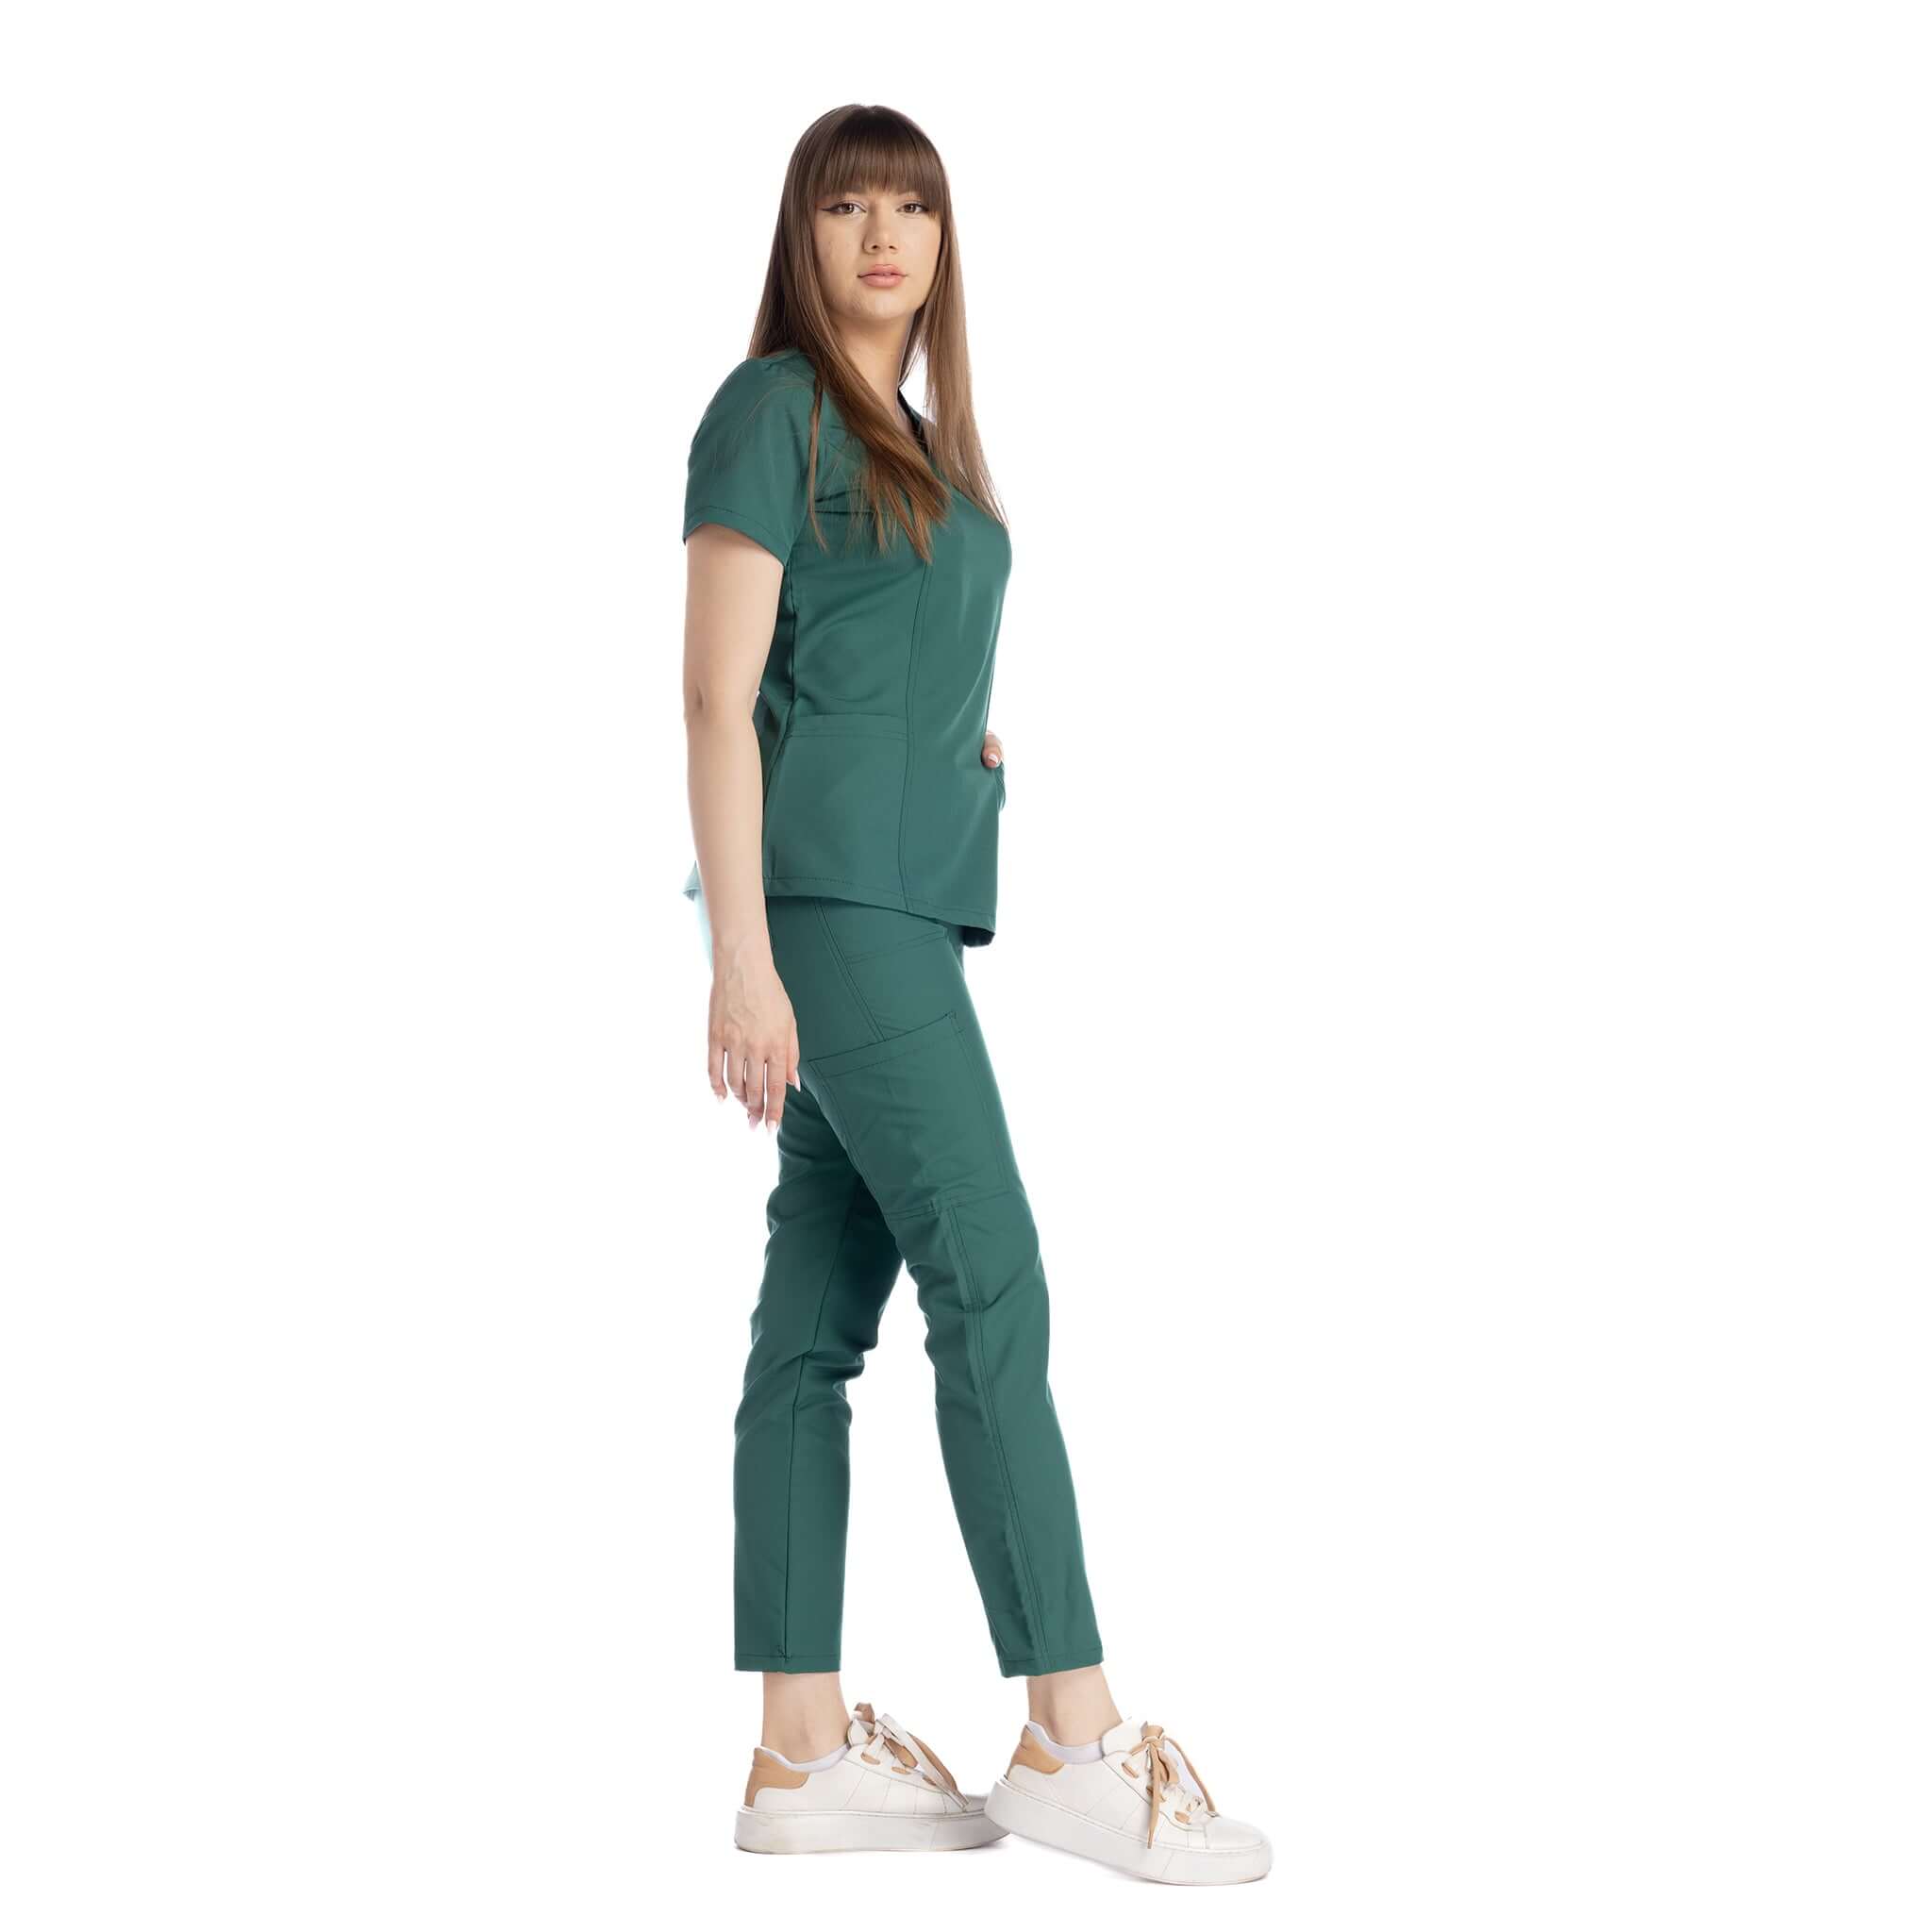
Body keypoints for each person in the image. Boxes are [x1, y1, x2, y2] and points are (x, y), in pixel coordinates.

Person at [679, 103, 1271, 1887]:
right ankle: (1072, 1733)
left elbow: (868, 650)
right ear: (803, 234)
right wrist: (740, 959)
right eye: (847, 203)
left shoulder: (923, 444)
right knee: (990, 1272)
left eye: (914, 206)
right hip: (834, 914)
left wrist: (961, 746)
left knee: (812, 1325)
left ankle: (797, 1750)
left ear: (943, 242)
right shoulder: (771, 410)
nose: (883, 232)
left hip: (909, 908)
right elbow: (714, 696)